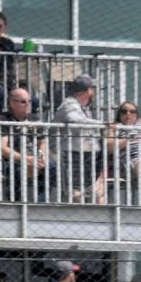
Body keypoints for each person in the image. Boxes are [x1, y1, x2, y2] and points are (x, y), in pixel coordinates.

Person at [54, 74, 106, 203]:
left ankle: (98, 217)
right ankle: (78, 215)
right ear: (88, 90)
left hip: (82, 153)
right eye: (92, 88)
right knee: (76, 191)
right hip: (68, 153)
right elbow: (74, 121)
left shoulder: (82, 106)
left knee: (96, 189)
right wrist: (101, 123)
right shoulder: (69, 103)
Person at [108, 101, 141, 203]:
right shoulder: (116, 127)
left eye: (132, 111)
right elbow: (110, 147)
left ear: (136, 114)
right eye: (124, 111)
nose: (128, 114)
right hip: (131, 164)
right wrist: (129, 139)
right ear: (119, 114)